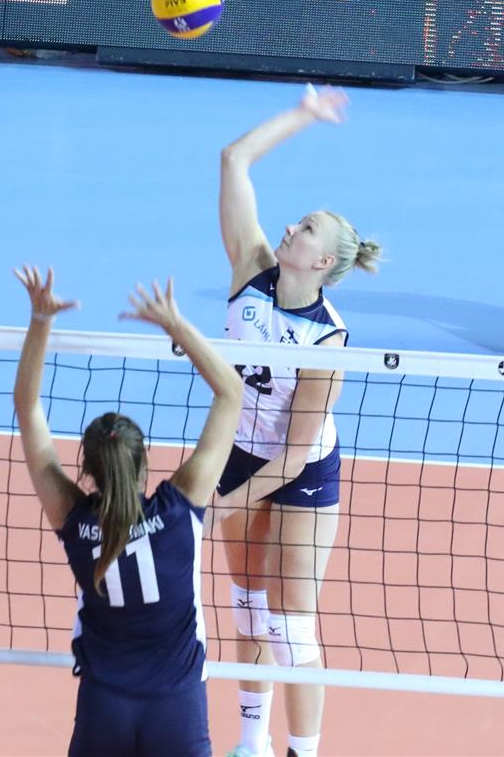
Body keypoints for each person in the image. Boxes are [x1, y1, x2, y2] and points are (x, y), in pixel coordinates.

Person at [11, 269, 242, 757]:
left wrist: (40, 321)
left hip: (104, 707)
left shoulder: (74, 520)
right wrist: (175, 325)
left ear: (88, 471)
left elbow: (27, 409)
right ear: (145, 463)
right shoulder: (180, 509)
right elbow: (231, 394)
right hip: (176, 707)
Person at [215, 84, 381, 757]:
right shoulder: (248, 272)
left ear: (323, 264)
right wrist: (304, 114)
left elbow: (292, 453)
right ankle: (250, 743)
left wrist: (223, 501)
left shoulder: (326, 341)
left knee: (291, 626)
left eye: (307, 228)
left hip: (301, 470)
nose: (291, 227)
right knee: (248, 608)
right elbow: (233, 160)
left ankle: (303, 753)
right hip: (240, 448)